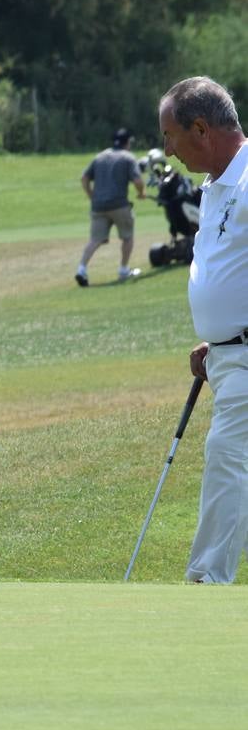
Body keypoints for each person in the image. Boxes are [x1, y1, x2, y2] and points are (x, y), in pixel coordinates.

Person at [157, 77, 248, 583]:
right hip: (229, 356)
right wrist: (218, 338)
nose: (168, 149)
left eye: (171, 135)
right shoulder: (215, 186)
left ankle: (208, 580)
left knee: (226, 455)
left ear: (200, 128)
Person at [76, 127, 146, 286]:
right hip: (119, 205)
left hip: (98, 206)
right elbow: (138, 181)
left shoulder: (99, 157)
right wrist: (141, 193)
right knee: (127, 237)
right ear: (127, 142)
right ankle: (123, 270)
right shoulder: (128, 157)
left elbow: (84, 178)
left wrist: (92, 196)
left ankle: (81, 269)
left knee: (95, 240)